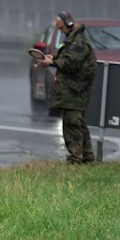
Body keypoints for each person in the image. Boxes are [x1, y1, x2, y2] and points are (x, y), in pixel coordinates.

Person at [34, 11, 97, 163]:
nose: (61, 31)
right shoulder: (73, 40)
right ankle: (87, 156)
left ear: (69, 24)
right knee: (78, 123)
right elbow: (67, 58)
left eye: (61, 28)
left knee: (72, 124)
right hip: (74, 89)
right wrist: (54, 58)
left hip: (76, 90)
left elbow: (70, 64)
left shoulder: (78, 42)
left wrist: (52, 62)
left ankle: (75, 158)